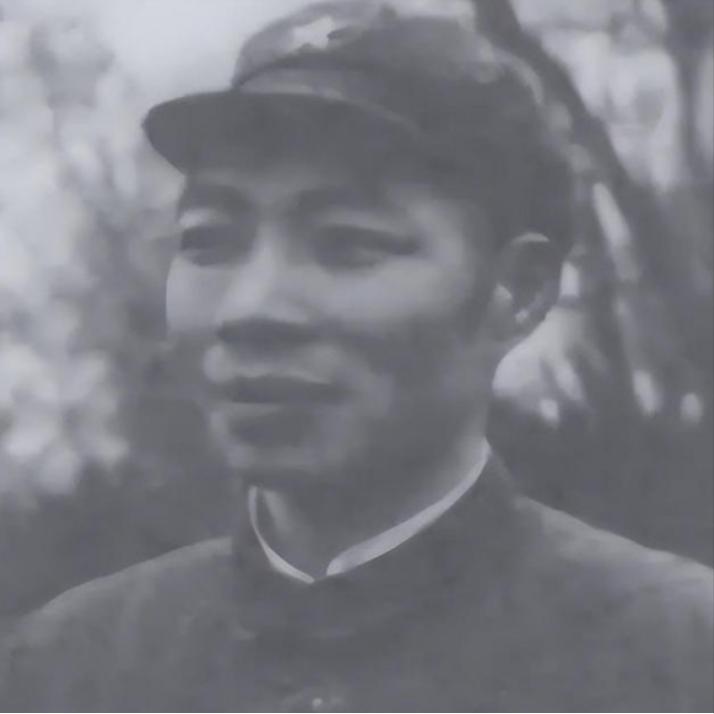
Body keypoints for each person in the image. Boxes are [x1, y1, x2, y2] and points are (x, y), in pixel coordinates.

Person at [1, 1, 712, 711]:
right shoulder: (61, 669)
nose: (249, 309)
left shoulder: (678, 658)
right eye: (210, 241)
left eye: (348, 243)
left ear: (517, 293)